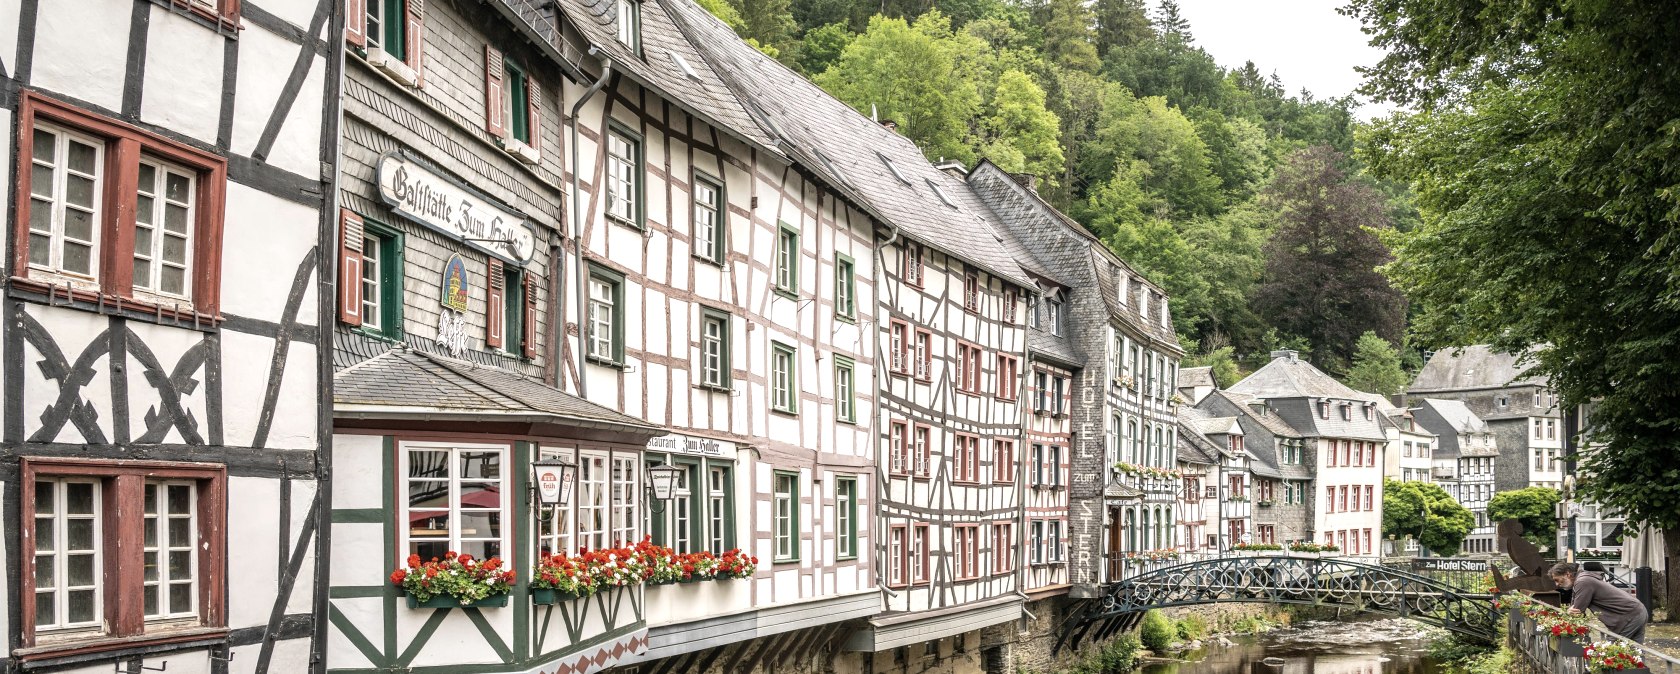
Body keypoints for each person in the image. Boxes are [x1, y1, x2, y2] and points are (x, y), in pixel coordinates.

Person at [1550, 562, 1647, 643]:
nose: (1557, 584)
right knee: (1635, 653)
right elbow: (1575, 607)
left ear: (1567, 574)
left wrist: (1568, 612)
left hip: (1628, 615)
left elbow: (1577, 611)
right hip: (1636, 610)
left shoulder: (1583, 581)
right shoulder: (1582, 580)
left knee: (1612, 651)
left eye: (1557, 580)